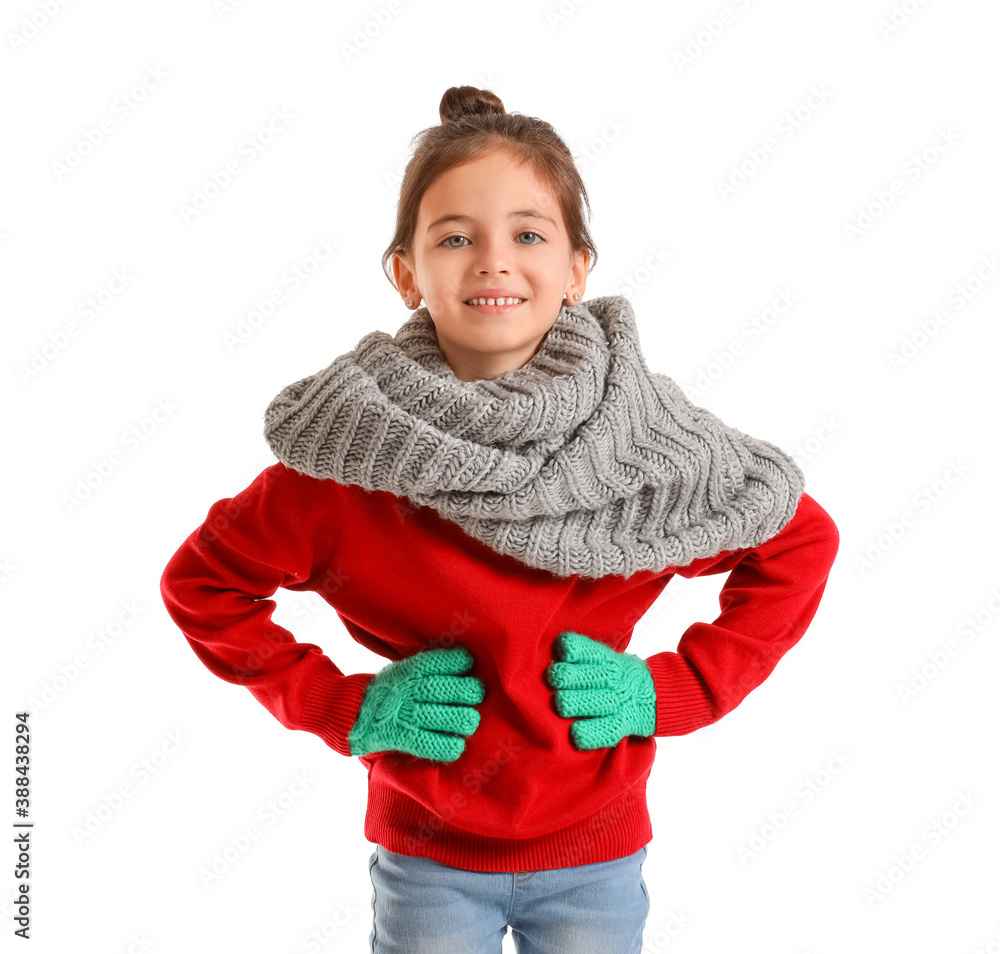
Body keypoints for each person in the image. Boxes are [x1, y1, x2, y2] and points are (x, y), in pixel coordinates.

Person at [159, 85, 840, 954]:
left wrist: (673, 689)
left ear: (577, 269)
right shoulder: (350, 461)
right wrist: (345, 707)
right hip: (428, 851)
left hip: (597, 845)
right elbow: (204, 584)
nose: (494, 260)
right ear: (406, 272)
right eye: (454, 237)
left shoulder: (644, 444)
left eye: (528, 234)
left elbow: (797, 538)